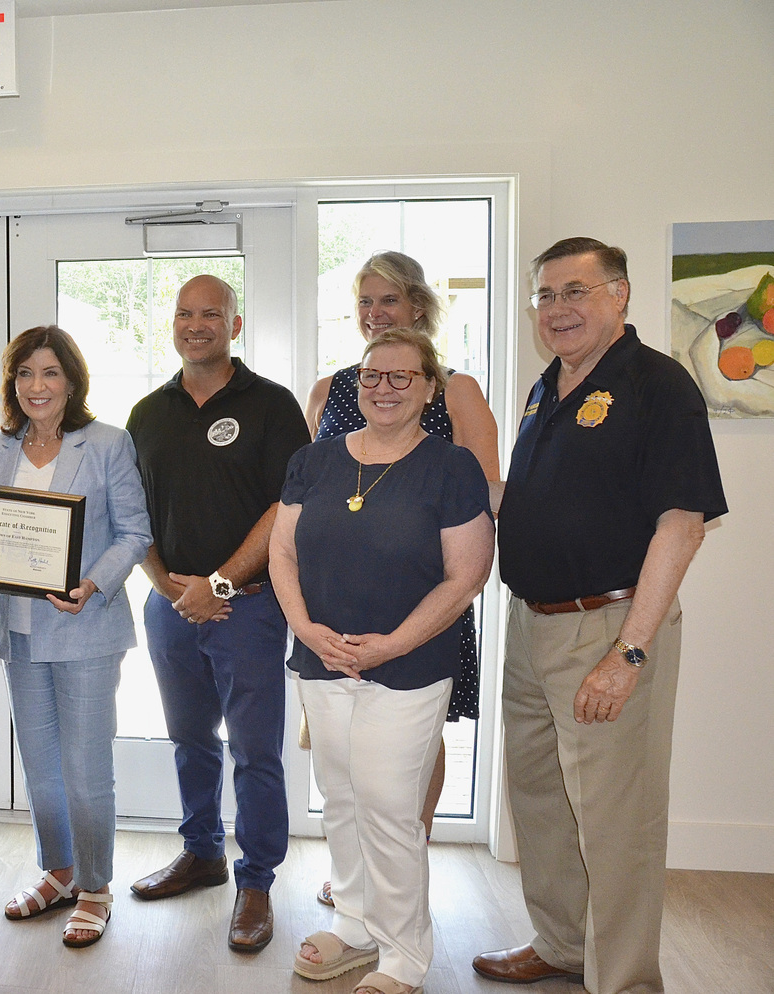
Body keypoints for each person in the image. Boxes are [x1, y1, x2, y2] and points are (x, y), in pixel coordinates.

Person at [473, 238, 726, 994]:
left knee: (618, 825)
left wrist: (630, 653)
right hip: (529, 623)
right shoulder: (545, 387)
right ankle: (561, 945)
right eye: (545, 296)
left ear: (619, 294)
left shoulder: (658, 384)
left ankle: (623, 981)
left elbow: (681, 524)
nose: (558, 309)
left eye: (576, 291)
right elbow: (534, 500)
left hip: (608, 627)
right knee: (541, 801)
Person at [271, 329, 495, 994]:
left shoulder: (451, 468)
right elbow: (282, 553)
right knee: (339, 798)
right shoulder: (313, 461)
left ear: (429, 388)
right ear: (356, 383)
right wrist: (307, 629)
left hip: (410, 667)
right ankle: (355, 925)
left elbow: (468, 575)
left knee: (390, 806)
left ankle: (403, 955)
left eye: (403, 377)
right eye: (373, 376)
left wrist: (393, 643)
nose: (386, 388)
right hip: (322, 660)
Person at [305, 250, 500, 907]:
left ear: (418, 306)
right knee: (345, 750)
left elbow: (487, 492)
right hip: (336, 602)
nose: (374, 313)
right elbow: (303, 497)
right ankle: (355, 870)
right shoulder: (332, 389)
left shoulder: (457, 388)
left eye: (387, 300)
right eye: (364, 301)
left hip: (426, 599)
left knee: (415, 737)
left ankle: (402, 863)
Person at [124, 274, 309, 952]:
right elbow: (133, 514)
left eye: (211, 314)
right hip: (170, 610)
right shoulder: (148, 412)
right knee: (191, 739)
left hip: (250, 610)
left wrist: (221, 586)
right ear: (172, 324)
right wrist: (172, 590)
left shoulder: (271, 405)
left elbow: (286, 507)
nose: (195, 324)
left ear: (234, 326)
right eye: (184, 314)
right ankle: (200, 853)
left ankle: (255, 878)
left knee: (256, 751)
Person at [0, 325, 152, 947]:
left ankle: (97, 886)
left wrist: (92, 584)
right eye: (24, 374)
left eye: (49, 374)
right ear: (12, 383)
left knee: (85, 768)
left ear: (72, 381)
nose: (36, 387)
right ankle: (61, 872)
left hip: (87, 629)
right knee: (42, 767)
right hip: (18, 631)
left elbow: (134, 533)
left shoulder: (106, 443)